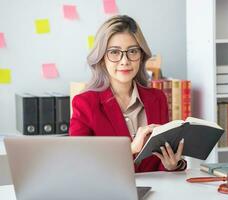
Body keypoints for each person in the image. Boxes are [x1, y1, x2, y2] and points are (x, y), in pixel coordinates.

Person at [69, 15, 186, 172]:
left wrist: (171, 165)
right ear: (102, 58)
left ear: (141, 56)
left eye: (132, 51)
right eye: (114, 52)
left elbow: (160, 161)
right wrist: (130, 149)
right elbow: (78, 162)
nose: (124, 61)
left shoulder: (158, 98)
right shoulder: (84, 103)